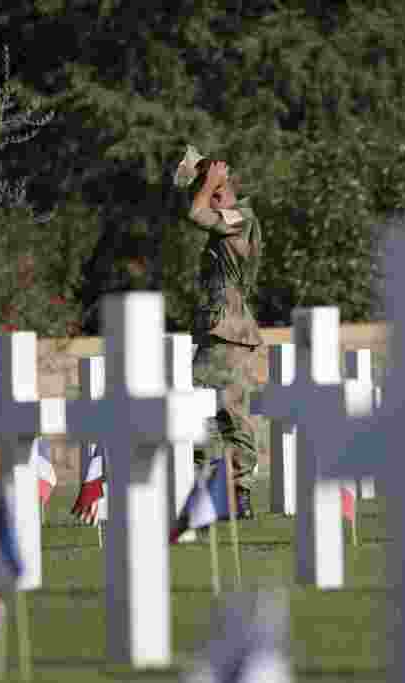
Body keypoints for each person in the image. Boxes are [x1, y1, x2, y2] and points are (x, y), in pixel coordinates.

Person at [174, 145, 264, 520]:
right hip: (219, 329)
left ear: (228, 189)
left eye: (214, 189)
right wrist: (200, 172)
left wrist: (211, 178)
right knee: (208, 410)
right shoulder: (227, 216)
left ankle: (234, 493)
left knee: (217, 409)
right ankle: (218, 489)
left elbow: (195, 212)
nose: (208, 193)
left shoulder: (240, 217)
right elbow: (192, 201)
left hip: (230, 331)